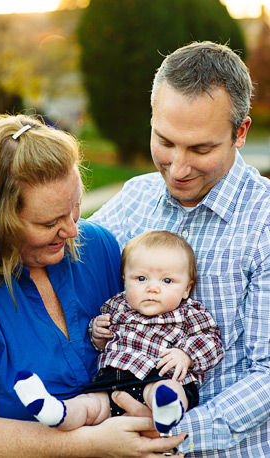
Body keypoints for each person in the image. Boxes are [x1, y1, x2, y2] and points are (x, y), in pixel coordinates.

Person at [0, 114, 187, 457]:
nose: (71, 231)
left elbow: (144, 337)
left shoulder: (97, 246)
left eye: (75, 208)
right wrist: (93, 444)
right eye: (49, 222)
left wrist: (147, 413)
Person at [90, 41, 270, 456]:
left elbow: (267, 372)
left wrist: (171, 435)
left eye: (201, 148)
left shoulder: (263, 224)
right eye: (165, 142)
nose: (179, 167)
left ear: (240, 132)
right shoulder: (133, 199)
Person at [16, 230, 223, 434]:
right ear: (125, 280)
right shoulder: (116, 305)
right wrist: (96, 334)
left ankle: (166, 412)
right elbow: (101, 344)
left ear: (187, 289)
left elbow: (212, 341)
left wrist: (185, 355)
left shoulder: (188, 312)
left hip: (158, 375)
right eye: (141, 278)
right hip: (113, 381)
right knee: (89, 405)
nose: (152, 288)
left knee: (168, 390)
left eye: (166, 281)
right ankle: (55, 411)